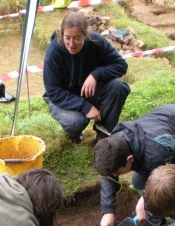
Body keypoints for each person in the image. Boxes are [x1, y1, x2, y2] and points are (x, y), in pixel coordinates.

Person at [94, 104, 175, 226]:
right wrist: (108, 211)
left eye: (118, 172)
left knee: (170, 185)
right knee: (138, 182)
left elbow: (157, 185)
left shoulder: (155, 153)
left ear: (130, 158)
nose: (115, 175)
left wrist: (149, 210)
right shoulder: (114, 142)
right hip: (166, 119)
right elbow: (109, 173)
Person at [42, 10, 131, 144]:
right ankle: (75, 135)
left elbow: (121, 65)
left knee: (118, 86)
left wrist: (96, 75)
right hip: (62, 98)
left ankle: (104, 138)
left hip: (89, 91)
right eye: (67, 38)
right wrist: (85, 106)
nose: (71, 44)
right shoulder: (54, 52)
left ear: (85, 35)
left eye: (77, 38)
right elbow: (54, 91)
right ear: (62, 34)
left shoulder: (96, 42)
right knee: (76, 122)